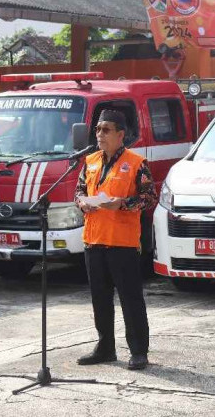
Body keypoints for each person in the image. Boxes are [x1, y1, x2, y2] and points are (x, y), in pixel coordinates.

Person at [74, 109, 158, 370]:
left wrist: (122, 204)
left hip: (122, 243)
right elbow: (79, 191)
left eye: (106, 129)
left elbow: (150, 198)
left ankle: (138, 351)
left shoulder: (136, 163)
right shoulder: (89, 161)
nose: (100, 134)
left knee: (130, 299)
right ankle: (105, 347)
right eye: (98, 129)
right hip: (94, 241)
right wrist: (82, 203)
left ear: (121, 134)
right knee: (100, 298)